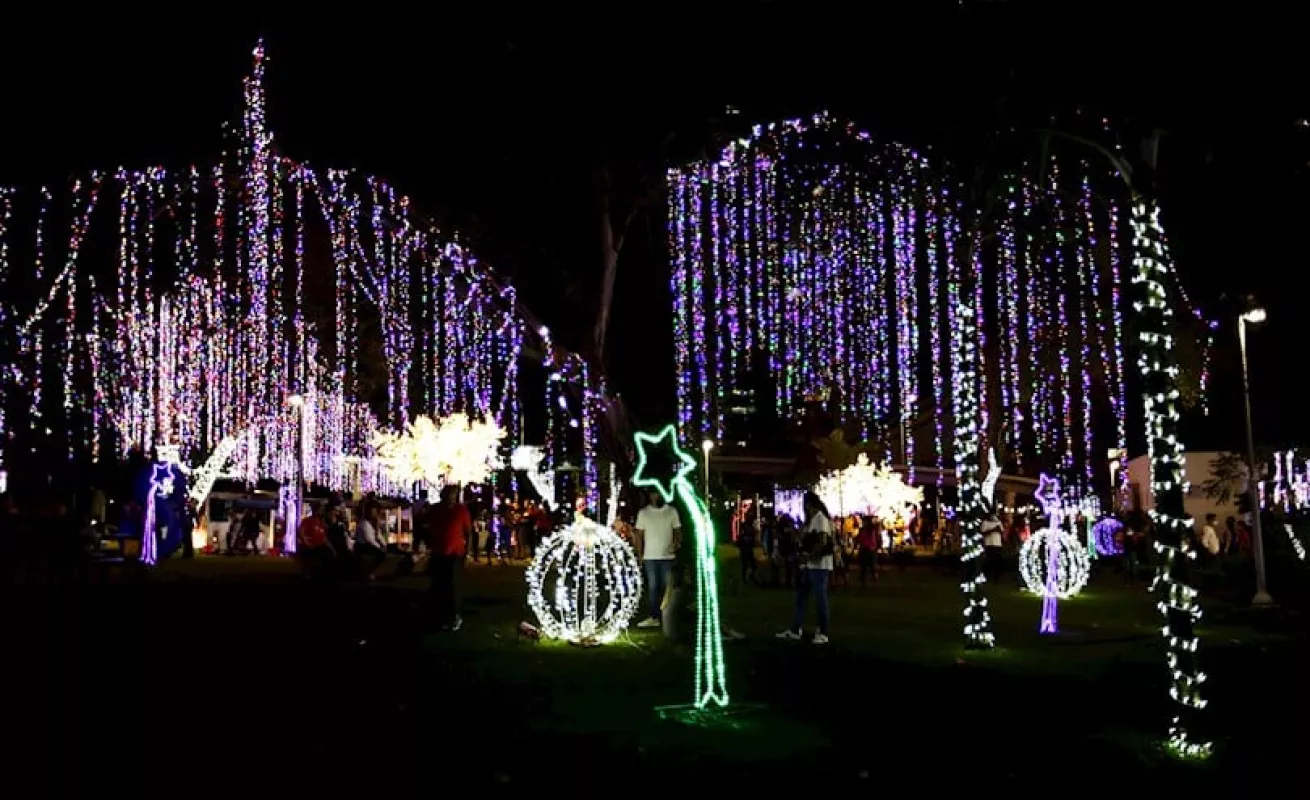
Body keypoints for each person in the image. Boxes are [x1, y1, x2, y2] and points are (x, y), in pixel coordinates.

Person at [777, 492, 836, 644]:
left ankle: (823, 632)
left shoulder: (820, 519)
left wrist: (809, 555)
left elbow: (822, 541)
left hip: (819, 565)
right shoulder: (812, 521)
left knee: (819, 598)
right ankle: (796, 629)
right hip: (811, 565)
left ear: (809, 505)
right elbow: (805, 538)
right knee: (801, 596)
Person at [419, 485, 472, 631]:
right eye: (448, 494)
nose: (450, 497)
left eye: (453, 494)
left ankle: (455, 615)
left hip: (454, 553)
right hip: (438, 552)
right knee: (439, 585)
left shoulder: (461, 511)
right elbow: (425, 525)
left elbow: (468, 532)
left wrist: (467, 553)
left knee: (453, 585)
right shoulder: (436, 510)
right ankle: (441, 615)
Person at [634, 490, 682, 629]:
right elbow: (639, 535)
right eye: (654, 493)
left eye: (659, 493)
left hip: (667, 556)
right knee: (654, 588)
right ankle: (654, 617)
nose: (657, 496)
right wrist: (640, 555)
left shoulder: (671, 511)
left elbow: (678, 531)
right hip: (650, 557)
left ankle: (668, 616)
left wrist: (677, 543)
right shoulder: (643, 513)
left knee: (668, 589)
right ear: (650, 496)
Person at [354, 501, 387, 579]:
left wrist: (385, 545)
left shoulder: (374, 523)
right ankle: (368, 571)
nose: (373, 514)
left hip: (370, 545)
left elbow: (379, 535)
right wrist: (380, 548)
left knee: (392, 548)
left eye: (375, 512)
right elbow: (369, 540)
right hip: (362, 546)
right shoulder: (364, 523)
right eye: (372, 512)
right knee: (381, 554)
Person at [857, 517, 880, 586]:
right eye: (863, 521)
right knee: (863, 567)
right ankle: (863, 582)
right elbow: (859, 539)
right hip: (864, 549)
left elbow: (876, 538)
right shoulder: (861, 530)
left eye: (865, 521)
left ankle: (875, 578)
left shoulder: (872, 529)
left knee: (872, 567)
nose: (864, 523)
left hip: (871, 550)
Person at [981, 512, 1004, 580]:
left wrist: (998, 528)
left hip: (998, 544)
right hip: (989, 544)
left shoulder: (998, 522)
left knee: (997, 561)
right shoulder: (985, 523)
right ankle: (988, 575)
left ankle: (997, 576)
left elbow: (1002, 531)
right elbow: (983, 532)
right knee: (989, 561)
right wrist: (992, 530)